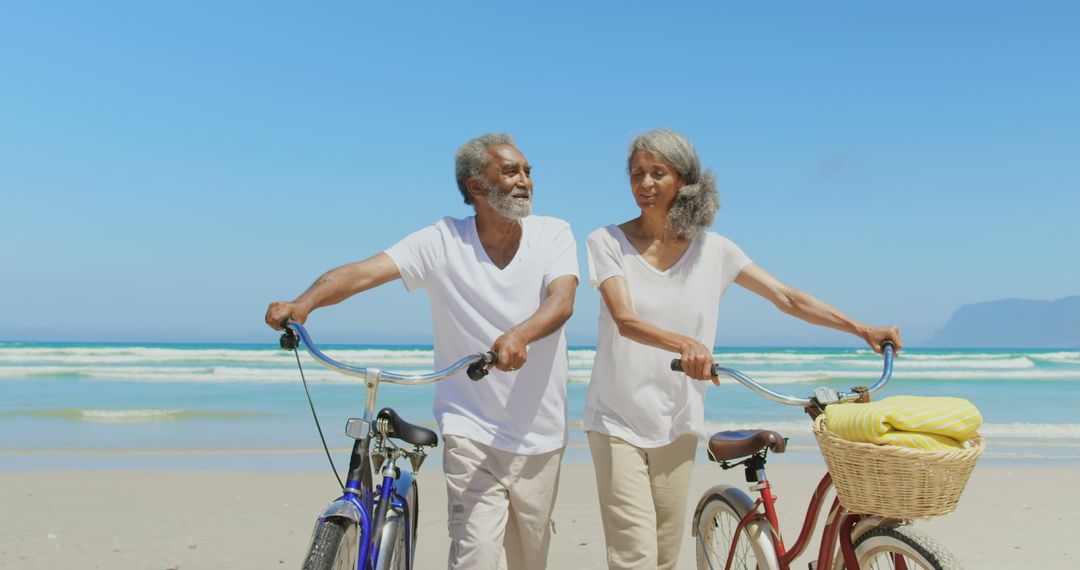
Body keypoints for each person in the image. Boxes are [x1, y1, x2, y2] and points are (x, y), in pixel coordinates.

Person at [584, 129, 903, 570]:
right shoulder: (607, 241)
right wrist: (685, 343)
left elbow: (786, 298)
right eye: (637, 173)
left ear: (684, 180)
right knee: (632, 555)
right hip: (616, 419)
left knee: (662, 556)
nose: (645, 183)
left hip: (677, 419)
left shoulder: (714, 250)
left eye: (658, 172)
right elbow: (624, 318)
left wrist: (860, 328)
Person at [265, 133, 579, 570]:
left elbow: (562, 300)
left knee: (530, 558)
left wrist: (520, 335)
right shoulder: (442, 240)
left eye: (527, 172)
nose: (525, 180)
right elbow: (363, 273)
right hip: (470, 427)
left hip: (540, 432)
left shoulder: (554, 233)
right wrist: (304, 303)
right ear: (476, 186)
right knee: (475, 554)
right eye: (511, 171)